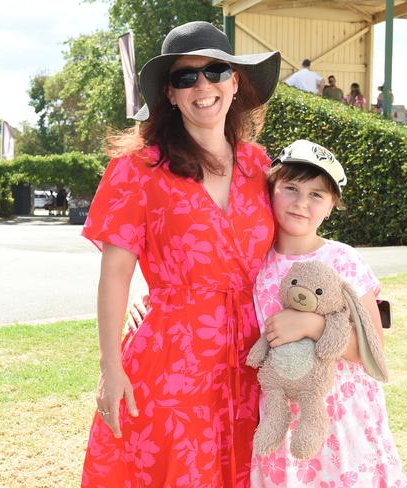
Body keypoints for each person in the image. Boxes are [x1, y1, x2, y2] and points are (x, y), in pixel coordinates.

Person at [79, 21, 281, 487]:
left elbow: (290, 250)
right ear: (169, 95)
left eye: (214, 71)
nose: (202, 86)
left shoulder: (260, 165)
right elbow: (114, 278)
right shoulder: (138, 169)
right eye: (185, 77)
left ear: (235, 81)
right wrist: (111, 370)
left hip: (255, 358)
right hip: (173, 364)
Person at [249, 139, 407, 487]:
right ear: (271, 189)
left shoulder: (343, 260)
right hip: (283, 422)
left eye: (316, 194)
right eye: (290, 187)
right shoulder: (255, 264)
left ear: (332, 205)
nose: (301, 202)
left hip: (343, 419)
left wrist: (313, 325)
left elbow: (373, 349)